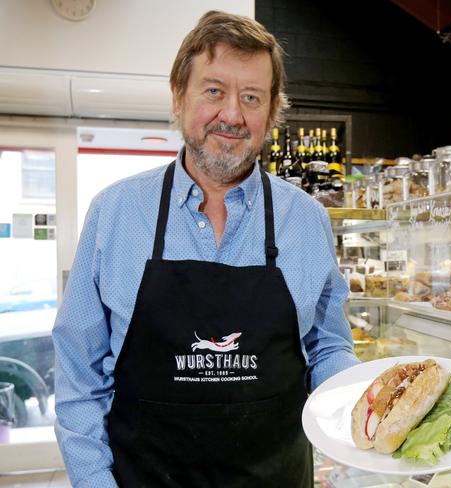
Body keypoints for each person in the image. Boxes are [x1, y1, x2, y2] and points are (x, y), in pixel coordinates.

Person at [53, 10, 359, 487]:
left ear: (272, 110)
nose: (232, 115)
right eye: (214, 90)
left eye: (252, 97)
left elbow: (328, 345)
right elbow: (79, 376)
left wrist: (365, 403)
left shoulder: (307, 220)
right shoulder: (114, 213)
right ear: (178, 96)